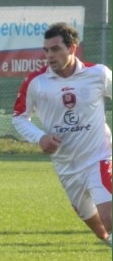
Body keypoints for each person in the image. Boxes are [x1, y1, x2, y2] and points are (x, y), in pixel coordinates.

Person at [12, 22, 112, 248]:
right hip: (66, 167)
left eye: (56, 49)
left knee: (109, 219)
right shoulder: (36, 82)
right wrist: (40, 137)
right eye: (46, 50)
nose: (49, 55)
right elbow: (19, 117)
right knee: (101, 231)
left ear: (72, 48)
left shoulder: (97, 74)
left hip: (99, 157)